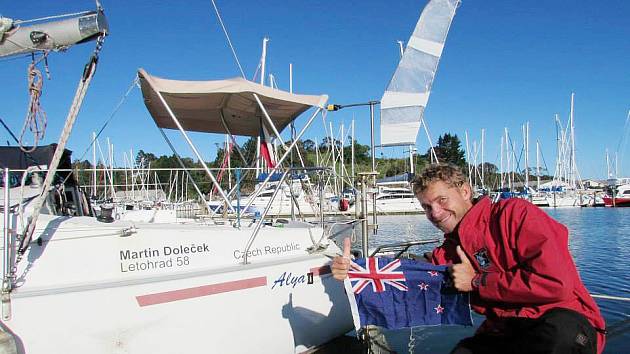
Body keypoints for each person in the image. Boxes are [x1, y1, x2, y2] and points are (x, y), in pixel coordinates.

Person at [331, 163, 606, 354]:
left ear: (465, 191)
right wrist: (356, 269)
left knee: (551, 342)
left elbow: (556, 283)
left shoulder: (515, 214)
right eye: (427, 207)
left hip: (562, 320)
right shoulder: (450, 249)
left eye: (441, 200)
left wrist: (477, 282)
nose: (435, 213)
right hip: (506, 328)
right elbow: (414, 271)